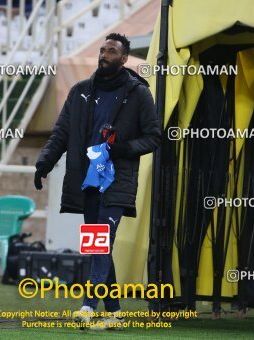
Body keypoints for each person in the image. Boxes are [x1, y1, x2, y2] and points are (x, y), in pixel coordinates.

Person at [34, 33, 161, 330]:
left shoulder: (139, 93)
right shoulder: (80, 91)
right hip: (88, 182)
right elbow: (62, 133)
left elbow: (154, 137)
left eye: (112, 51)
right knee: (98, 245)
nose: (104, 55)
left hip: (117, 182)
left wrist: (123, 148)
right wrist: (44, 162)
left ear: (124, 58)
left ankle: (88, 306)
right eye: (103, 50)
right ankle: (115, 311)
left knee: (101, 241)